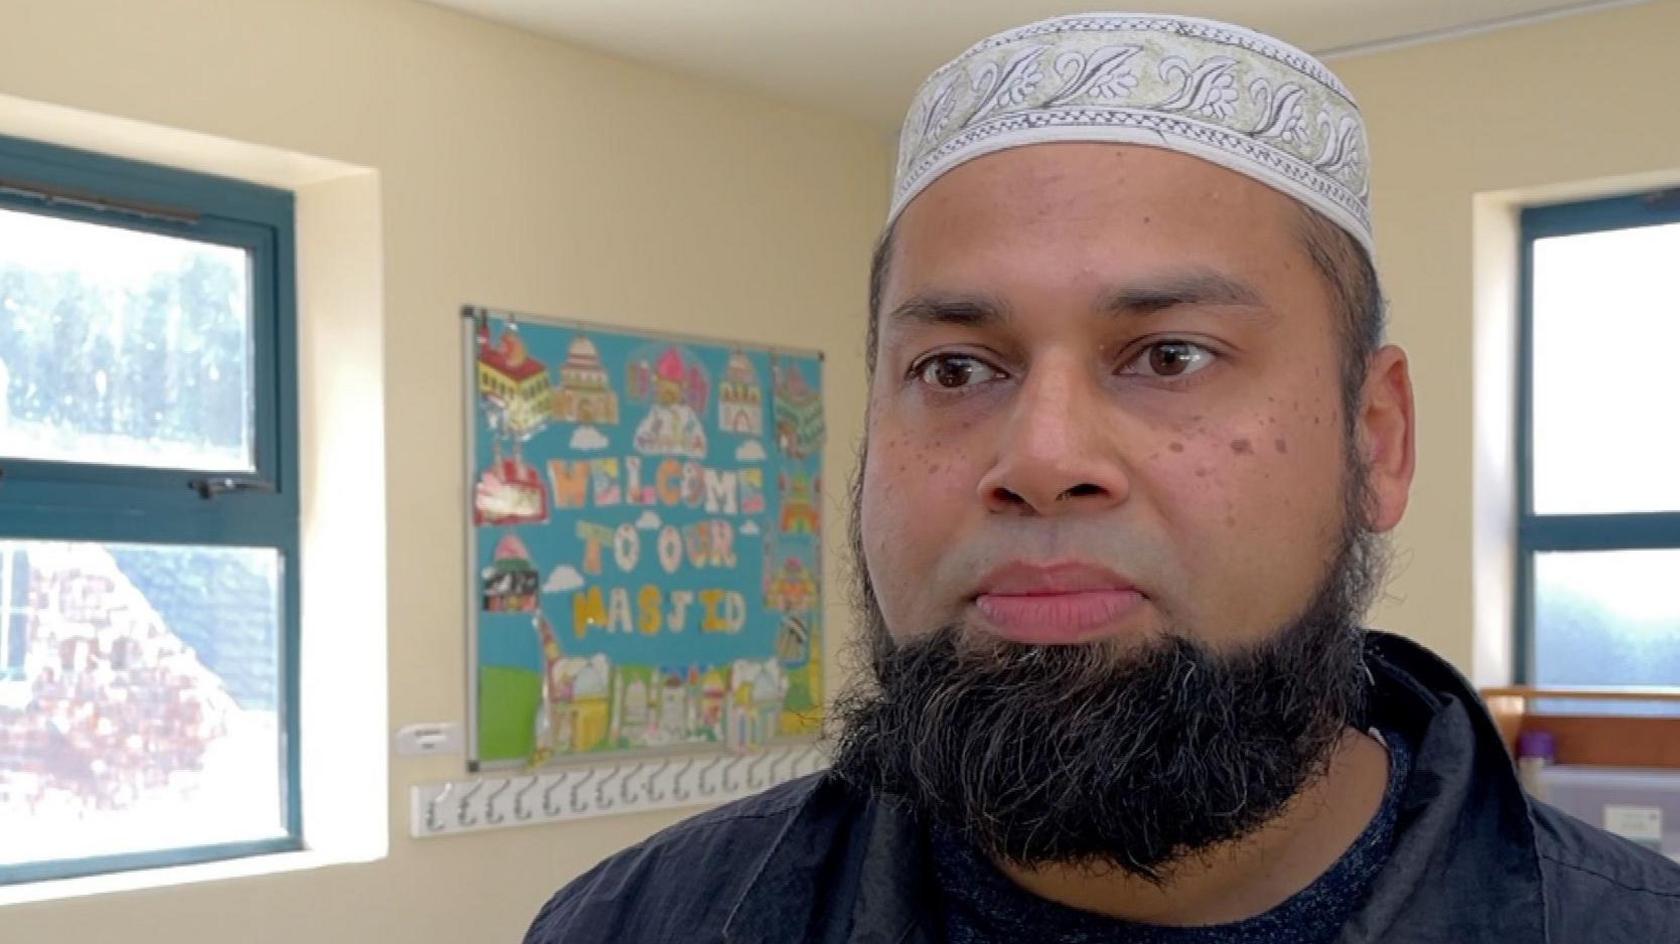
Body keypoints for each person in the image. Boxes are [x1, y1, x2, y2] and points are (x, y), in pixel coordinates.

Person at [524, 13, 1680, 943]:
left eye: (1171, 355)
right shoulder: (638, 920)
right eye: (956, 366)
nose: (1040, 458)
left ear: (1376, 439)